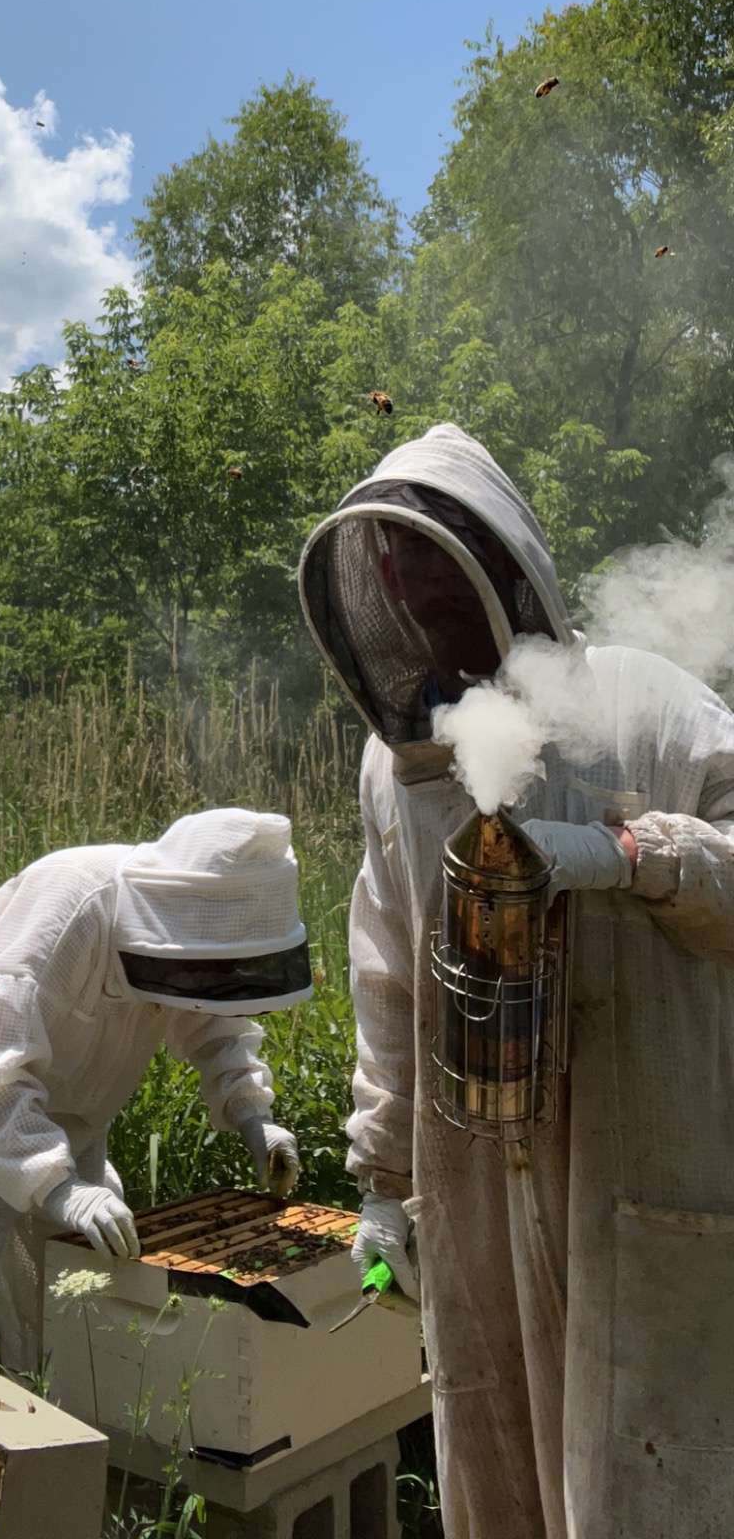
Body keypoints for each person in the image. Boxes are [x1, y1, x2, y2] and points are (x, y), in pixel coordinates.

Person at [298, 422, 734, 1539]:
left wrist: (636, 857)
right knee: (497, 1472)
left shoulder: (648, 705)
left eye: (448, 563)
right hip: (475, 1189)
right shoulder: (396, 767)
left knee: (651, 1478)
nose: (427, 596)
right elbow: (388, 976)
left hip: (642, 1162)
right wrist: (381, 1182)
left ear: (508, 562)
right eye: (402, 572)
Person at [0, 807, 310, 1438]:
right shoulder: (67, 908)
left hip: (72, 1116)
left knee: (61, 1287)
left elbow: (215, 1019)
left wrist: (254, 1118)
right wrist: (58, 1185)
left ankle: (37, 1451)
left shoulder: (186, 933)